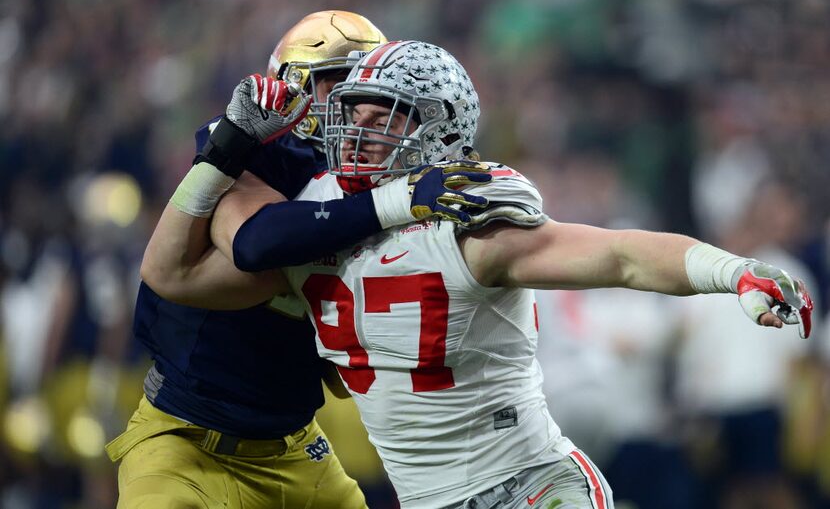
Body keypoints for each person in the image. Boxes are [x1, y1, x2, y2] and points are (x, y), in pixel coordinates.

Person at [142, 40, 814, 509]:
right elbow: (171, 272)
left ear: (439, 130)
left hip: (531, 485)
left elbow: (620, 255)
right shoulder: (315, 230)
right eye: (354, 114)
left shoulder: (469, 226)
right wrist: (221, 153)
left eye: (384, 118)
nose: (359, 133)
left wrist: (730, 270)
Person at [106, 14, 489, 509]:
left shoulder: (381, 170)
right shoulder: (247, 145)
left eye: (368, 88)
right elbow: (259, 243)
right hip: (187, 441)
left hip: (297, 450)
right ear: (292, 86)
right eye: (337, 83)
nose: (355, 104)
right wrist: (390, 207)